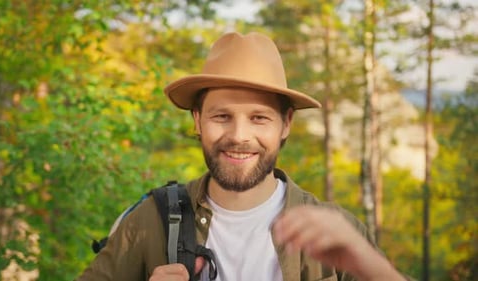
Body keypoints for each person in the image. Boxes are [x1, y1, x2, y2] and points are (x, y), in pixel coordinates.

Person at [76, 32, 407, 281]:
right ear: (197, 120)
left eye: (259, 118)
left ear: (286, 123)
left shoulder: (337, 231)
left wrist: (372, 265)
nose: (238, 136)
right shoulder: (151, 220)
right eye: (222, 117)